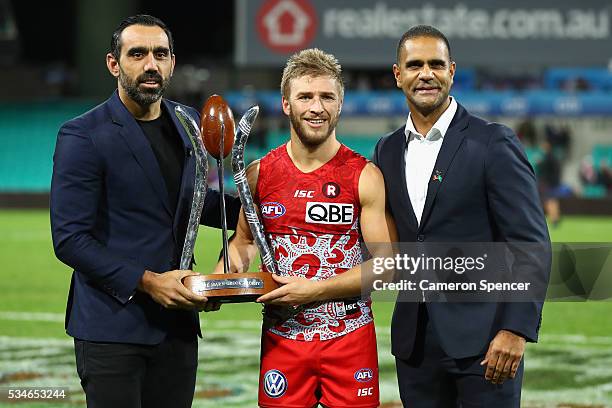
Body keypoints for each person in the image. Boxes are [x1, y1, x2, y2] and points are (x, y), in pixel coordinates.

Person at [50, 15, 240, 408]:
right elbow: (70, 239)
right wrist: (149, 281)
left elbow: (190, 206)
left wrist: (259, 211)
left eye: (160, 54)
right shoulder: (83, 134)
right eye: (137, 54)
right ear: (113, 64)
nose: (150, 64)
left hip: (179, 328)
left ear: (172, 62)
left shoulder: (187, 124)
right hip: (112, 329)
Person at [373, 25, 551, 407]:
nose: (426, 74)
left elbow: (530, 243)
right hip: (414, 346)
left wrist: (514, 329)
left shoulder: (492, 142)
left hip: (485, 343)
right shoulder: (386, 150)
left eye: (436, 64)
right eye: (415, 64)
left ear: (452, 71)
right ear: (397, 74)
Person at [216, 48, 396, 408]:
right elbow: (244, 243)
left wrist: (313, 291)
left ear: (340, 104)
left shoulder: (365, 175)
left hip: (349, 338)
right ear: (286, 104)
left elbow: (386, 267)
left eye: (327, 96)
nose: (316, 107)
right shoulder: (258, 174)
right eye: (305, 97)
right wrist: (224, 276)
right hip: (283, 339)